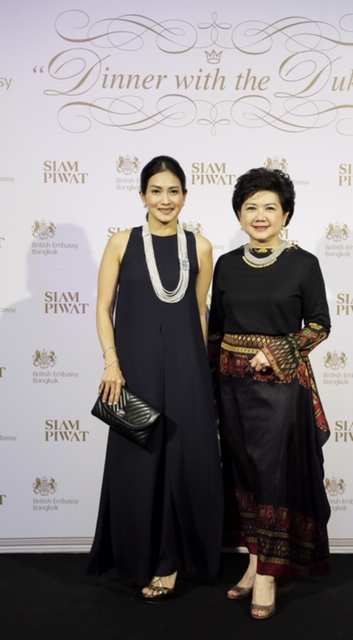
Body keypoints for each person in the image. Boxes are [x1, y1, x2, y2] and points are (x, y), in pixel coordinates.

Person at [87, 155, 223, 601]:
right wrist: (112, 362)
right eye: (157, 191)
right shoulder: (121, 242)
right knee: (137, 464)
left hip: (187, 371)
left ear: (185, 195)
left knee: (183, 464)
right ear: (142, 194)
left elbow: (198, 312)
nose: (166, 200)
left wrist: (201, 371)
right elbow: (103, 308)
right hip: (134, 371)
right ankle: (134, 557)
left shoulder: (201, 247)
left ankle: (169, 563)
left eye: (174, 191)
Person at [208, 167, 331, 620]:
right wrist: (207, 388)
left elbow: (319, 325)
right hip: (231, 388)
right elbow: (216, 330)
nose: (260, 216)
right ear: (239, 214)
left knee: (273, 476)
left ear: (286, 214)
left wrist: (277, 351)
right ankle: (254, 561)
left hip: (279, 389)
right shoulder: (225, 264)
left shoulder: (304, 264)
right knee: (241, 475)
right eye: (250, 207)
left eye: (270, 208)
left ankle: (268, 575)